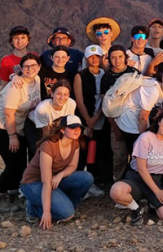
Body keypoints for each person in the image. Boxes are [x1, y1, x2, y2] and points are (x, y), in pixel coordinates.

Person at [20, 115, 94, 229]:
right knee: (67, 214)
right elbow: (45, 181)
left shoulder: (75, 143)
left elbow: (73, 166)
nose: (77, 130)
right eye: (72, 127)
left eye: (79, 127)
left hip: (54, 180)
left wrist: (60, 175)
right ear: (63, 130)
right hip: (34, 183)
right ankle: (33, 209)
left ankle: (65, 206)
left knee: (86, 178)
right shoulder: (48, 146)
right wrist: (46, 212)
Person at [110, 109, 163, 225]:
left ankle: (151, 203)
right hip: (137, 178)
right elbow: (141, 168)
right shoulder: (145, 138)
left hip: (157, 179)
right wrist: (157, 192)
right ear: (158, 122)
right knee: (116, 191)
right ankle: (136, 209)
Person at [0, 53, 41, 213]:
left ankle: (13, 194)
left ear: (38, 67)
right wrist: (12, 137)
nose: (29, 69)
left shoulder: (36, 80)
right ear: (21, 68)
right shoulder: (14, 87)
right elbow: (9, 114)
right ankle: (1, 194)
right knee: (12, 166)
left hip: (21, 126)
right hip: (5, 128)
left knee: (21, 164)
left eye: (33, 66)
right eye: (26, 66)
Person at [115, 67, 163, 156]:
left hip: (134, 119)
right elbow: (143, 118)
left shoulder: (157, 85)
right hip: (130, 121)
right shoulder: (153, 90)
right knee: (138, 156)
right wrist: (143, 139)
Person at [74, 44, 111, 190]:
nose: (94, 59)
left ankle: (100, 179)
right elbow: (79, 100)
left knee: (101, 149)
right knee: (84, 149)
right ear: (86, 58)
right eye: (91, 56)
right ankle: (83, 181)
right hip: (84, 118)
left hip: (102, 117)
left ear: (102, 57)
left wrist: (96, 117)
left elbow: (106, 99)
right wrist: (89, 121)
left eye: (97, 56)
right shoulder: (80, 76)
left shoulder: (106, 74)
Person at [101, 45, 138, 181]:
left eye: (120, 57)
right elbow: (106, 105)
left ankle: (134, 183)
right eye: (113, 57)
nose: (117, 60)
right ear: (109, 59)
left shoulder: (133, 73)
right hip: (115, 120)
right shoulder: (107, 78)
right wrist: (115, 128)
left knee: (135, 154)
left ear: (125, 58)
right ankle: (119, 181)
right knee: (119, 156)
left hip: (133, 120)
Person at [28, 80, 76, 156]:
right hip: (35, 126)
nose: (62, 97)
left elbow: (67, 126)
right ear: (52, 94)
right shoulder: (42, 109)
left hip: (55, 127)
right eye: (58, 94)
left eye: (65, 94)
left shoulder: (71, 103)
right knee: (41, 150)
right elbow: (46, 135)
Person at [0, 26, 32, 90]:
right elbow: (4, 86)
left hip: (34, 95)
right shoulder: (6, 61)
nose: (19, 41)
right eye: (16, 38)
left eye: (23, 38)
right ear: (11, 41)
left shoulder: (34, 56)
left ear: (28, 40)